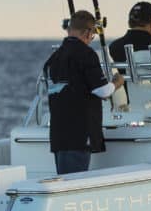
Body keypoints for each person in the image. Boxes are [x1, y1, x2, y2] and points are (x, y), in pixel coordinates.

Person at [45, 10, 125, 174]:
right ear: (88, 32)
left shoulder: (54, 58)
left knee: (63, 182)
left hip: (59, 135)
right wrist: (117, 82)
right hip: (79, 136)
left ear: (69, 29)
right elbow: (103, 91)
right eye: (94, 34)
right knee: (73, 185)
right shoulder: (86, 54)